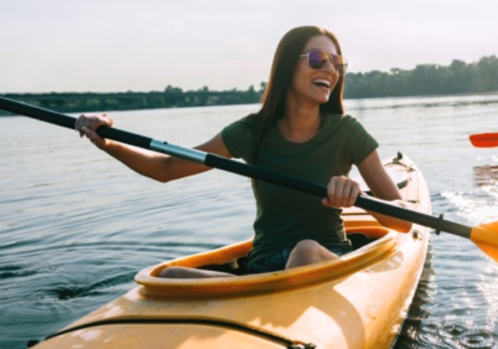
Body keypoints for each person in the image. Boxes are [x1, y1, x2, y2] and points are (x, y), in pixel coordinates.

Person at [75, 26, 411, 278]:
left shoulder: (347, 132)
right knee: (168, 275)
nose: (330, 69)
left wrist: (357, 196)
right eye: (317, 59)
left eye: (338, 63)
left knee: (305, 251)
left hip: (322, 258)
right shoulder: (251, 132)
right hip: (262, 267)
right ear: (286, 66)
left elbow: (402, 220)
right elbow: (165, 168)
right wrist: (106, 140)